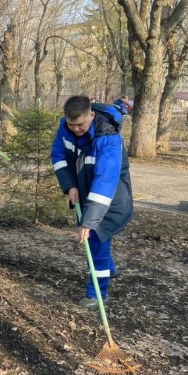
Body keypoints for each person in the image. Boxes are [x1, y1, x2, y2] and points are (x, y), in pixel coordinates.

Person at [50, 96, 133, 308]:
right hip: (84, 191)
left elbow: (104, 182)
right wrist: (70, 185)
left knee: (95, 239)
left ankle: (98, 293)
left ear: (92, 115)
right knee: (95, 242)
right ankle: (109, 269)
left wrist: (89, 222)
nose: (76, 129)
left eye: (81, 124)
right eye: (71, 124)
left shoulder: (109, 139)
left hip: (110, 199)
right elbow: (59, 157)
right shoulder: (65, 128)